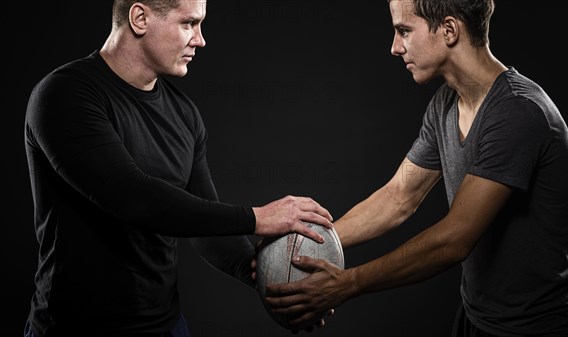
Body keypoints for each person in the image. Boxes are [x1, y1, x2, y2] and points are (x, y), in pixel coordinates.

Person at [263, 0, 568, 336]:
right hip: (476, 321)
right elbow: (398, 197)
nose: (395, 47)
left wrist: (348, 283)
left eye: (404, 31)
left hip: (545, 329)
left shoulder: (518, 112)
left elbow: (455, 238)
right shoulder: (446, 104)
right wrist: (301, 245)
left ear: (449, 30)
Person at [22, 0, 335, 336]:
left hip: (166, 326)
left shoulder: (184, 114)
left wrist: (272, 283)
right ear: (139, 18)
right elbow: (132, 196)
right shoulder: (65, 95)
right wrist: (258, 218)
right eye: (189, 24)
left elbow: (205, 230)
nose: (200, 39)